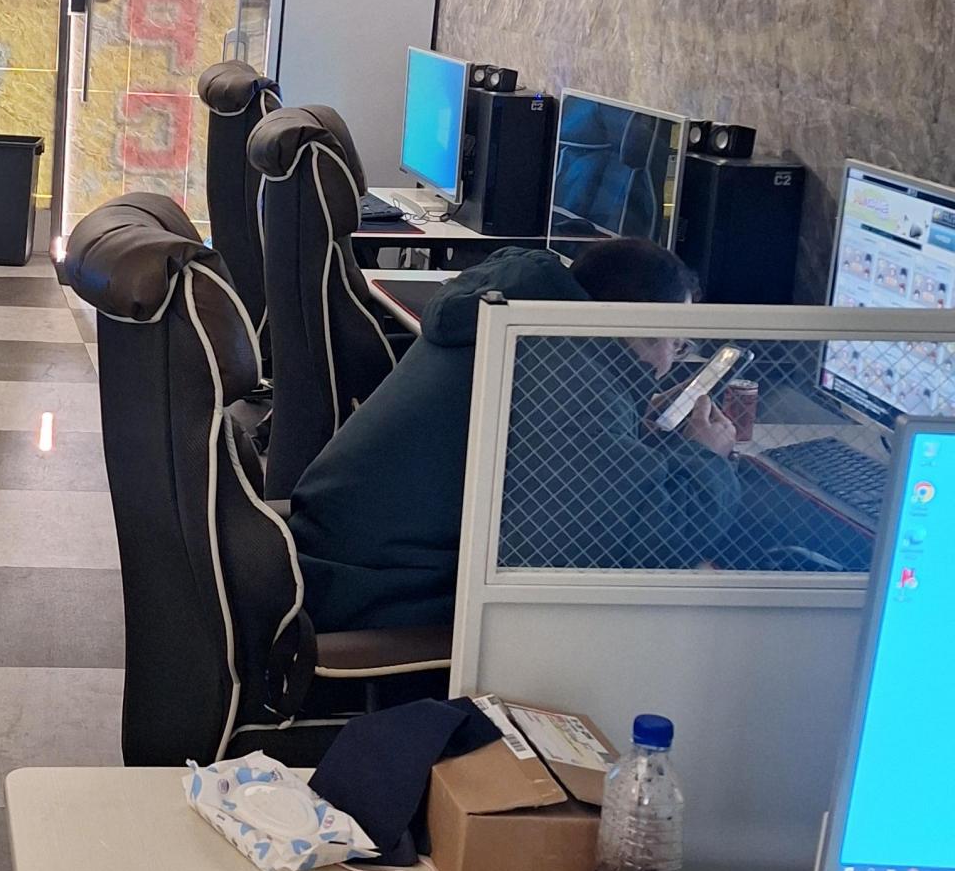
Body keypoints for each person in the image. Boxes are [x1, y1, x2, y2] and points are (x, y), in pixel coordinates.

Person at [288, 237, 739, 633]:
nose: (670, 364)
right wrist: (707, 456)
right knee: (679, 608)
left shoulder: (514, 321)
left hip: (334, 565)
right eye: (675, 344)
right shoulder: (572, 379)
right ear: (637, 326)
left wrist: (629, 418)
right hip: (377, 599)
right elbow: (630, 545)